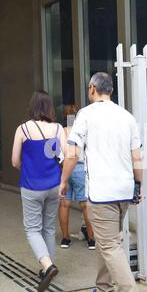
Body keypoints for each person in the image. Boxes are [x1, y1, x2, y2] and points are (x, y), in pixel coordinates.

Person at [59, 72, 143, 292]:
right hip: (124, 190)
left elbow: (72, 154)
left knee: (109, 245)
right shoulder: (127, 116)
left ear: (91, 88)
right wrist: (138, 186)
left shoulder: (85, 115)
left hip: (102, 193)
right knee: (108, 242)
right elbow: (137, 157)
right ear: (111, 91)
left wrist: (63, 180)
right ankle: (103, 288)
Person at [11, 91, 66, 292]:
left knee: (33, 229)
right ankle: (46, 270)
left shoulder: (23, 129)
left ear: (32, 106)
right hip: (54, 185)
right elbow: (64, 157)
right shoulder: (59, 128)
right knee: (49, 227)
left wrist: (27, 167)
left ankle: (48, 266)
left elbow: (15, 161)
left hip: (31, 186)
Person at [59, 105, 95, 250]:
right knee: (85, 205)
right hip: (80, 168)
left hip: (66, 167)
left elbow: (57, 151)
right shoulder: (84, 131)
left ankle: (65, 239)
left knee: (64, 204)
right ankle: (91, 240)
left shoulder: (62, 131)